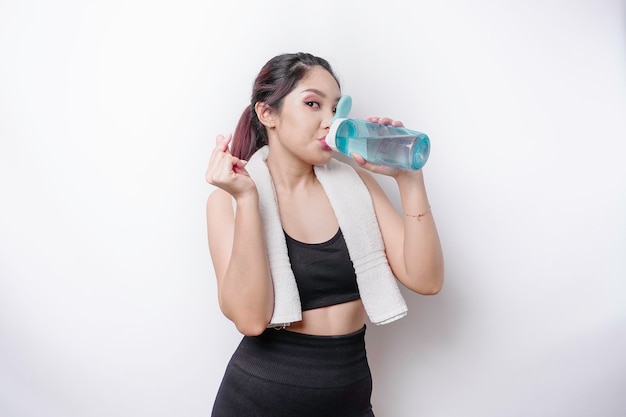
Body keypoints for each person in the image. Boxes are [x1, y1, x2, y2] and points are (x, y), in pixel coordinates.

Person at [205, 52, 444, 417]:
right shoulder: (230, 201)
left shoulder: (356, 185)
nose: (328, 121)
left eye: (335, 109)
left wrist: (409, 178)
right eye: (313, 104)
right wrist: (249, 198)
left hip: (349, 401)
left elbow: (426, 280)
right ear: (268, 114)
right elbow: (251, 320)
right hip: (259, 401)